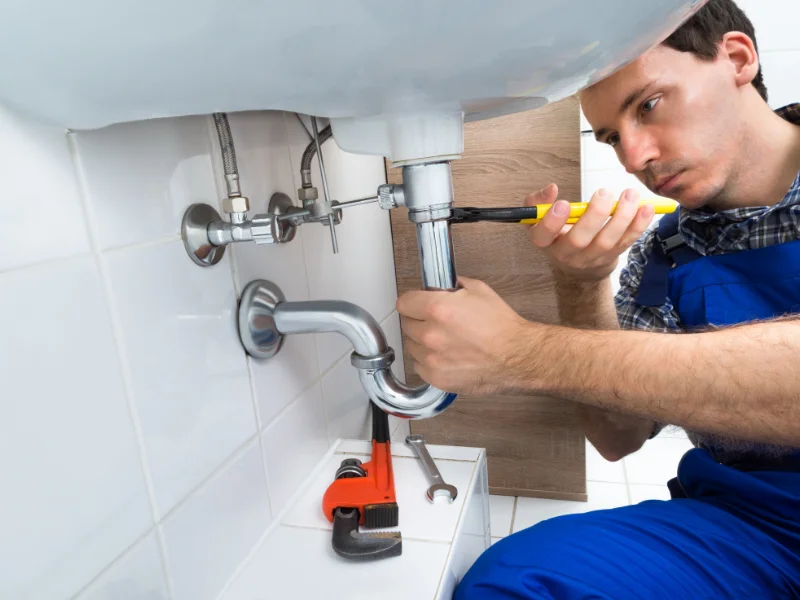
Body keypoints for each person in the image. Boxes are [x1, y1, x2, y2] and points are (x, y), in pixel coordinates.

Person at [395, 0, 800, 597]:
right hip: (750, 528)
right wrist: (581, 283)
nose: (634, 158)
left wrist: (521, 352)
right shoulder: (663, 254)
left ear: (737, 58)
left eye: (650, 105)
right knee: (516, 582)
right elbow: (619, 438)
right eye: (611, 136)